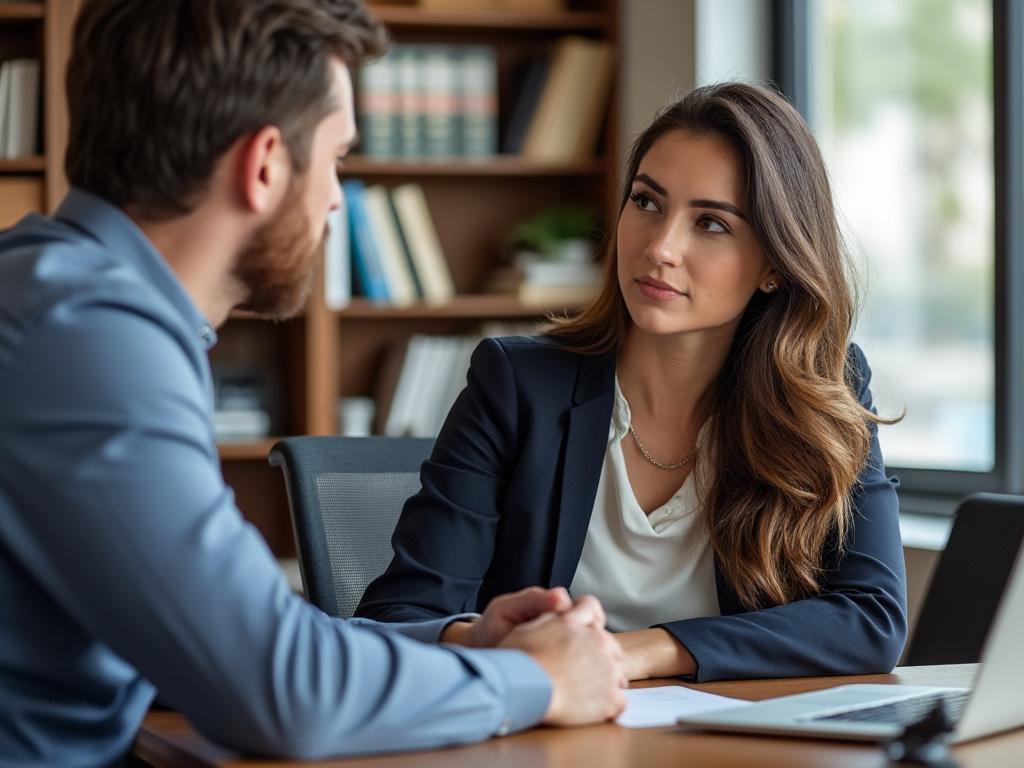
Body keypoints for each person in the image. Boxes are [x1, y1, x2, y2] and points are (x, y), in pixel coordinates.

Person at [0, 1, 627, 763]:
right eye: (334, 158)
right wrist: (533, 680)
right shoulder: (87, 338)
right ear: (264, 165)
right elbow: (276, 691)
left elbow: (232, 635)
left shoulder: (49, 290)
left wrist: (462, 643)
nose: (336, 196)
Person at [357, 82, 908, 682]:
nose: (660, 247)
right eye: (647, 202)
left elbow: (871, 618)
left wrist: (642, 650)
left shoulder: (823, 390)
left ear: (775, 265)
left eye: (712, 224)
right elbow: (397, 618)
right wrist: (488, 641)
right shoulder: (517, 385)